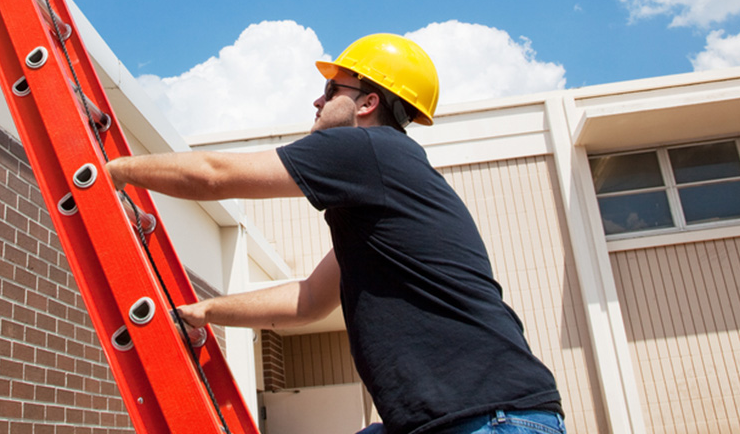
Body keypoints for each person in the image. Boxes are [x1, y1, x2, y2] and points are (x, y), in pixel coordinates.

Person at [105, 33, 564, 434]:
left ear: (367, 104)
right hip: (479, 414)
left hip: (485, 418)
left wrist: (114, 170)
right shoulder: (384, 194)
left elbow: (214, 175)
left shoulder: (366, 149)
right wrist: (206, 310)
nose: (317, 102)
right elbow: (307, 300)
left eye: (331, 90)